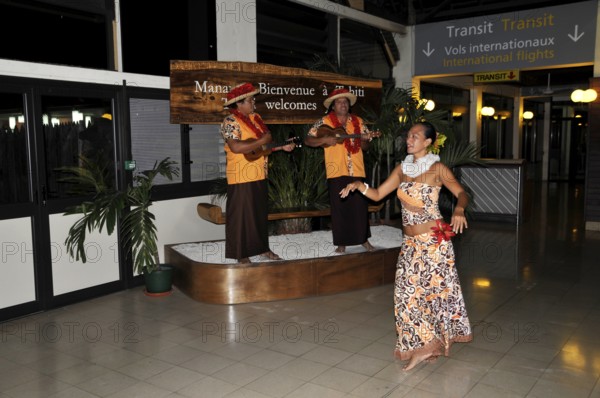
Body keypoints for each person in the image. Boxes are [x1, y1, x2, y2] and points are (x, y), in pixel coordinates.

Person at [340, 122, 472, 371]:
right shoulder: (402, 168)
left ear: (428, 142)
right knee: (405, 296)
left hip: (434, 244)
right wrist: (360, 185)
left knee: (430, 295)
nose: (409, 139)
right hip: (410, 243)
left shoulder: (438, 168)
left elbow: (462, 193)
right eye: (408, 135)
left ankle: (426, 346)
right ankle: (422, 345)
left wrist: (459, 208)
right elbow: (378, 194)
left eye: (415, 136)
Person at [220, 82, 295, 263]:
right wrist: (263, 139)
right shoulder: (230, 121)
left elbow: (261, 148)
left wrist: (280, 146)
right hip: (241, 176)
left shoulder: (256, 118)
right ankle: (241, 253)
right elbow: (236, 147)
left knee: (259, 215)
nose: (254, 102)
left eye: (253, 99)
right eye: (250, 100)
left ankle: (262, 248)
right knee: (241, 217)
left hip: (260, 174)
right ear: (239, 104)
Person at [305, 88, 377, 254]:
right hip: (336, 170)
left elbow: (366, 146)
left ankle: (363, 239)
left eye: (345, 101)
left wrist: (366, 140)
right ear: (333, 106)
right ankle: (341, 243)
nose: (343, 104)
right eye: (339, 102)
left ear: (349, 105)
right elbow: (308, 139)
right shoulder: (324, 122)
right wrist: (324, 139)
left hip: (357, 170)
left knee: (360, 207)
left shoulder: (358, 121)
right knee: (339, 208)